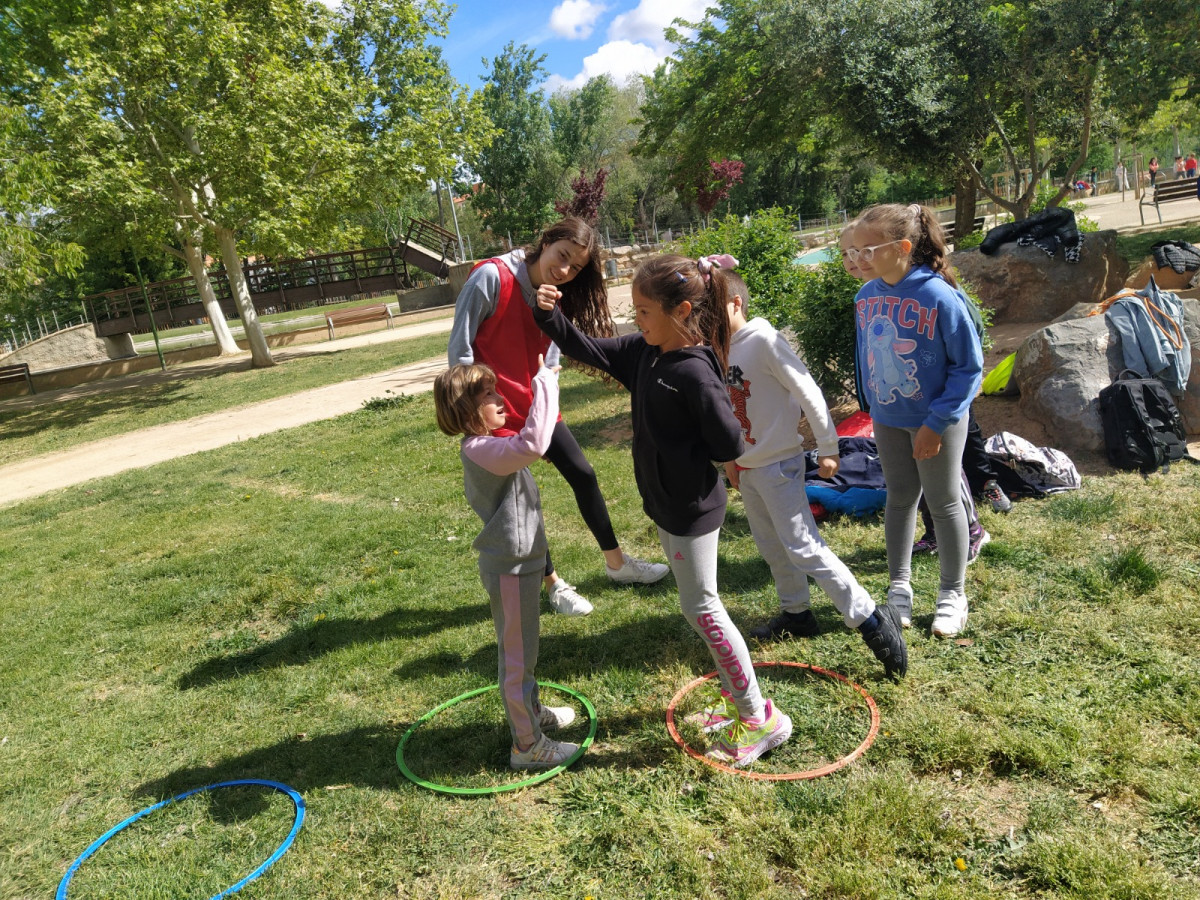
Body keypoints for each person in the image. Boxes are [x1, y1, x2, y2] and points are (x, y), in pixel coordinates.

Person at [533, 253, 792, 767]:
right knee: (697, 607)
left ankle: (760, 718)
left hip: (693, 509)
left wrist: (707, 440)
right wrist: (548, 316)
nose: (635, 321)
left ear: (683, 310)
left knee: (705, 610)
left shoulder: (694, 371)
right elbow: (586, 346)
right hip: (666, 505)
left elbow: (729, 443)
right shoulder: (643, 351)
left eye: (645, 311)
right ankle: (736, 703)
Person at [448, 217, 670, 618]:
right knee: (521, 502)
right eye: (562, 256)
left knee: (582, 474)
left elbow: (551, 354)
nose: (565, 270)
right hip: (496, 412)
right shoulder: (490, 278)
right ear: (545, 242)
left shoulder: (553, 293)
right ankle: (553, 584)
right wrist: (473, 412)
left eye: (576, 267)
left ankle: (617, 564)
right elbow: (460, 352)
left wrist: (545, 394)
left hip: (537, 406)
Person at [722, 269, 907, 678]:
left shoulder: (765, 341)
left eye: (711, 306)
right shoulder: (719, 348)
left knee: (804, 546)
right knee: (772, 547)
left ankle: (871, 619)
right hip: (750, 469)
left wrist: (829, 447)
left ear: (736, 302)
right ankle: (797, 613)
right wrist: (730, 463)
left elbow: (808, 390)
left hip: (780, 465)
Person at [433, 359, 581, 770]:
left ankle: (532, 715)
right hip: (510, 567)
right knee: (516, 660)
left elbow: (529, 443)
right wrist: (545, 383)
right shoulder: (480, 449)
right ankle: (528, 746)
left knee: (525, 652)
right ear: (465, 410)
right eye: (489, 396)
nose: (501, 399)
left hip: (523, 563)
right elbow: (532, 444)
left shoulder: (492, 442)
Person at [849, 203, 984, 638]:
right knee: (900, 499)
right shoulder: (866, 296)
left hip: (936, 421)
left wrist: (936, 423)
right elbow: (866, 355)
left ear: (903, 248)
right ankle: (899, 589)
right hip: (889, 419)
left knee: (944, 504)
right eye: (857, 249)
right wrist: (872, 405)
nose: (860, 257)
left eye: (869, 249)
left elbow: (969, 367)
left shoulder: (938, 296)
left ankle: (952, 593)